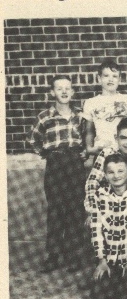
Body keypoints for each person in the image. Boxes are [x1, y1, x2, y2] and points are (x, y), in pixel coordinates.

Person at [27, 75, 87, 273]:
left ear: (72, 92)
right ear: (52, 92)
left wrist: (82, 153)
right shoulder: (45, 117)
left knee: (75, 210)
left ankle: (73, 256)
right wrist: (47, 154)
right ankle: (53, 256)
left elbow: (87, 138)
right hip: (56, 164)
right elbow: (33, 139)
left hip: (75, 164)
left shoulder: (80, 115)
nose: (63, 92)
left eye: (67, 88)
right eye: (59, 88)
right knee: (56, 211)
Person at [89, 154, 127, 299]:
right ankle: (111, 281)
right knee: (99, 297)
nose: (116, 176)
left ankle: (123, 282)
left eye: (120, 171)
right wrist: (101, 260)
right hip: (109, 258)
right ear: (105, 175)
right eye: (111, 172)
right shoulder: (99, 195)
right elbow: (96, 229)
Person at [83, 60, 127, 159]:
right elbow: (89, 130)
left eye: (114, 76)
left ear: (119, 79)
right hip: (102, 149)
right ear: (99, 78)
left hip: (124, 149)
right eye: (106, 76)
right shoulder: (91, 102)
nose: (110, 79)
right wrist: (89, 148)